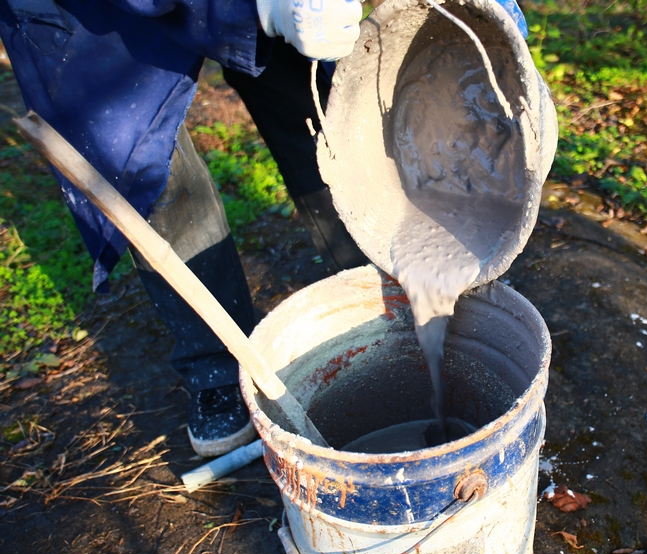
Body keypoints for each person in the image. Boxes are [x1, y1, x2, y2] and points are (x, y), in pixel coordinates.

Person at [0, 0, 527, 457]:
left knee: (327, 122)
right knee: (145, 164)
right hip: (93, 14)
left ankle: (386, 313)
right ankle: (217, 369)